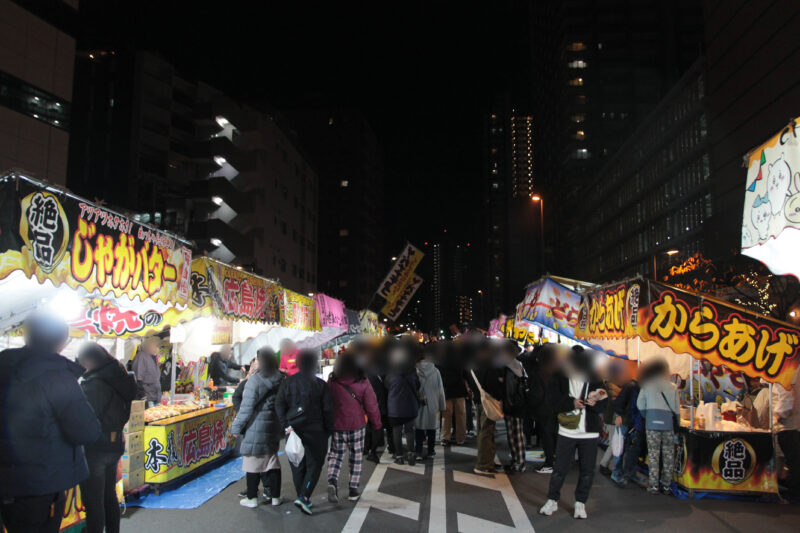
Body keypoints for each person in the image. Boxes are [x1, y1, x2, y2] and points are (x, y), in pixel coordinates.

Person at [0, 311, 101, 533]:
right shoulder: (58, 376)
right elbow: (86, 431)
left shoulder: (4, 364)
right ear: (62, 341)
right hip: (39, 483)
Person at [539, 347, 607, 520]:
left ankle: (580, 503)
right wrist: (571, 403)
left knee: (587, 470)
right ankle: (552, 500)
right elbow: (552, 400)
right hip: (566, 430)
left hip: (589, 432)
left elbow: (605, 400)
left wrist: (595, 400)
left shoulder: (595, 378)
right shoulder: (560, 376)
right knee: (559, 469)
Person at [76, 343, 137, 533]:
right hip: (115, 442)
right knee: (108, 495)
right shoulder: (118, 376)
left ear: (89, 361)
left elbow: (86, 418)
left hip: (96, 447)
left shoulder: (94, 384)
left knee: (93, 500)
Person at [275, 350, 334, 515]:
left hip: (293, 431)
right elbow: (328, 411)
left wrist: (286, 425)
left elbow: (279, 405)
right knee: (314, 466)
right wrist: (329, 431)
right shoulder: (320, 385)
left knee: (297, 465)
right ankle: (304, 496)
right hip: (316, 432)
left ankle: (302, 495)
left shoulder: (288, 383)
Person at [231, 348, 285, 508]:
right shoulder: (281, 378)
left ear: (261, 361)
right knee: (272, 461)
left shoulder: (255, 380)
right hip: (273, 425)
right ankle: (276, 497)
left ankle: (252, 498)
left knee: (252, 462)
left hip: (256, 425)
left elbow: (246, 408)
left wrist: (236, 428)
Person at [326, 353, 382, 503]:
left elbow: (326, 403)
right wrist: (377, 424)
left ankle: (332, 480)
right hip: (357, 424)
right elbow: (372, 405)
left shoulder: (332, 382)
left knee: (336, 454)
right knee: (356, 456)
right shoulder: (362, 381)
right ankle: (353, 490)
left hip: (337, 424)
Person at [636, 359, 679, 495]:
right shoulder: (673, 387)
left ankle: (654, 486)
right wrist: (677, 422)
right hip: (668, 424)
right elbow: (677, 410)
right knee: (668, 455)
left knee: (654, 455)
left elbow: (640, 404)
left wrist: (647, 416)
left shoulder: (647, 385)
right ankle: (666, 486)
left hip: (651, 424)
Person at [468, 339, 505, 474]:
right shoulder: (489, 365)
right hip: (488, 401)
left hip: (479, 399)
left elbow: (470, 382)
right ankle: (483, 465)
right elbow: (494, 385)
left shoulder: (472, 363)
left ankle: (488, 459)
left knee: (483, 431)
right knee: (486, 431)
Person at [527, 343, 562, 474]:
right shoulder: (559, 371)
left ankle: (549, 463)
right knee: (555, 435)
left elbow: (536, 395)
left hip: (543, 409)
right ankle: (556, 460)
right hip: (556, 408)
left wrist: (532, 407)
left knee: (546, 436)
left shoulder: (539, 372)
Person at [385, 339, 420, 465]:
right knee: (410, 431)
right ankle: (411, 453)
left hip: (395, 408)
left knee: (397, 432)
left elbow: (387, 386)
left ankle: (399, 456)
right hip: (410, 406)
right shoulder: (412, 371)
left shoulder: (390, 373)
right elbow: (418, 386)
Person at [610, 369, 645, 488]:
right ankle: (616, 473)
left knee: (633, 451)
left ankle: (630, 472)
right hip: (625, 421)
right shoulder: (631, 386)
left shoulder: (643, 388)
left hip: (636, 424)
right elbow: (619, 402)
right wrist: (618, 415)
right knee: (620, 448)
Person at [499, 340, 529, 473]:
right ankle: (516, 460)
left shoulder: (513, 366)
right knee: (512, 434)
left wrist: (508, 402)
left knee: (516, 434)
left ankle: (520, 462)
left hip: (515, 404)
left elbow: (510, 388)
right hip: (513, 404)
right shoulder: (515, 365)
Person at [415, 348, 446, 460]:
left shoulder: (415, 369)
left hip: (419, 402)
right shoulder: (436, 371)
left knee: (419, 427)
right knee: (431, 428)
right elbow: (440, 389)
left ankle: (418, 451)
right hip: (433, 403)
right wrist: (442, 405)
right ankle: (431, 451)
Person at [773, 373, 800, 497]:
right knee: (794, 462)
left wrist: (777, 416)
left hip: (788, 426)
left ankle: (794, 493)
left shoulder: (784, 374)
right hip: (794, 425)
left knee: (793, 463)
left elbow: (786, 400)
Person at [438, 343, 468, 445]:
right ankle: (460, 437)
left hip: (447, 390)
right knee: (461, 415)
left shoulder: (441, 361)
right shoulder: (460, 360)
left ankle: (445, 437)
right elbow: (465, 374)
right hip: (459, 389)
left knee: (446, 415)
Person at [598, 362, 624, 476]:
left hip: (610, 418)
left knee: (613, 443)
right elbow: (615, 404)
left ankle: (605, 464)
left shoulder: (608, 385)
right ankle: (604, 464)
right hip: (613, 418)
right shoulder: (613, 387)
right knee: (614, 444)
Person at [130, 336, 162, 406]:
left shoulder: (153, 358)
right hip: (148, 398)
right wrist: (143, 396)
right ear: (149, 346)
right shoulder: (141, 357)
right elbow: (138, 378)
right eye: (156, 346)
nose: (158, 349)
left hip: (155, 397)